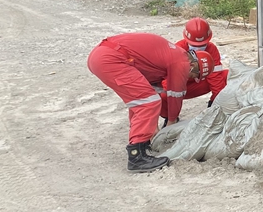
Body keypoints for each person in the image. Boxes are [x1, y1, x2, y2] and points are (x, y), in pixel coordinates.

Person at [87, 32, 213, 172]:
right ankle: (136, 156)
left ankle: (142, 142)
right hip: (112, 58)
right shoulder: (182, 61)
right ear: (193, 66)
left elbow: (155, 90)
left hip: (103, 56)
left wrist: (152, 127)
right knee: (148, 102)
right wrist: (171, 122)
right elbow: (176, 95)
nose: (191, 78)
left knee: (141, 100)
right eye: (195, 75)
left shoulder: (167, 57)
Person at [159, 18, 228, 126]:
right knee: (161, 94)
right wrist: (172, 115)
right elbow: (168, 82)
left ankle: (214, 107)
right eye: (195, 45)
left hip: (198, 84)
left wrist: (215, 103)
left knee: (226, 76)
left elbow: (216, 77)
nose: (198, 48)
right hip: (179, 87)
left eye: (202, 45)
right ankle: (169, 118)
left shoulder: (211, 49)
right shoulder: (177, 50)